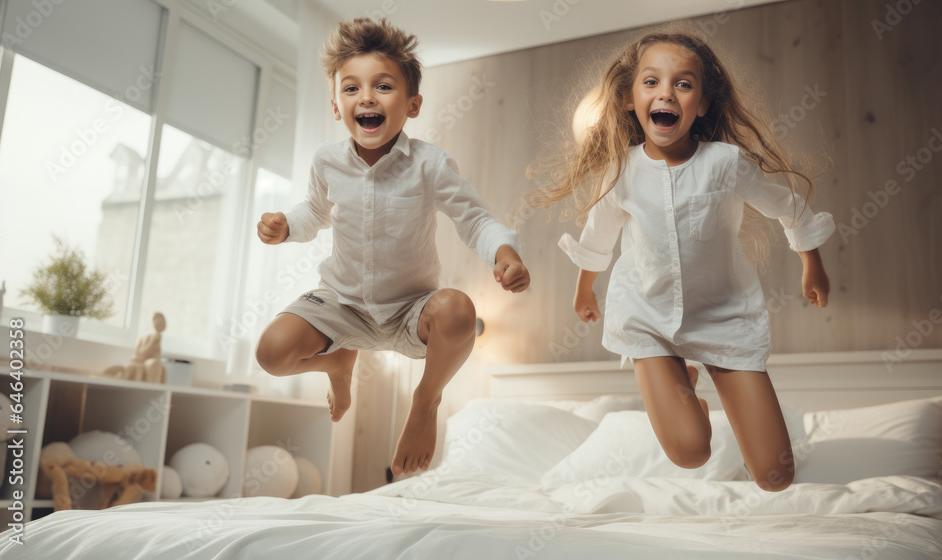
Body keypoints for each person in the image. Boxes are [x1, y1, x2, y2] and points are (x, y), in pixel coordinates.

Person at [520, 29, 835, 492]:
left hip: (724, 315)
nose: (666, 92)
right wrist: (584, 287)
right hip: (647, 317)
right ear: (630, 99)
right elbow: (599, 235)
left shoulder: (726, 164)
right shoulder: (620, 169)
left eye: (683, 84)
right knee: (691, 451)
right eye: (651, 82)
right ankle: (687, 394)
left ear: (703, 104)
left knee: (774, 476)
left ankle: (692, 382)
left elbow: (787, 204)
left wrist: (813, 263)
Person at [254, 18, 530, 477]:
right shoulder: (326, 160)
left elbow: (474, 219)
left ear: (413, 104)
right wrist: (286, 226)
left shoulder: (430, 164)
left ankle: (426, 401)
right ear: (335, 104)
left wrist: (505, 253)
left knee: (460, 310)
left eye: (383, 86)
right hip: (340, 301)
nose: (366, 98)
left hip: (410, 309)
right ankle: (338, 366)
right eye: (351, 88)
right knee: (271, 354)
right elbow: (315, 213)